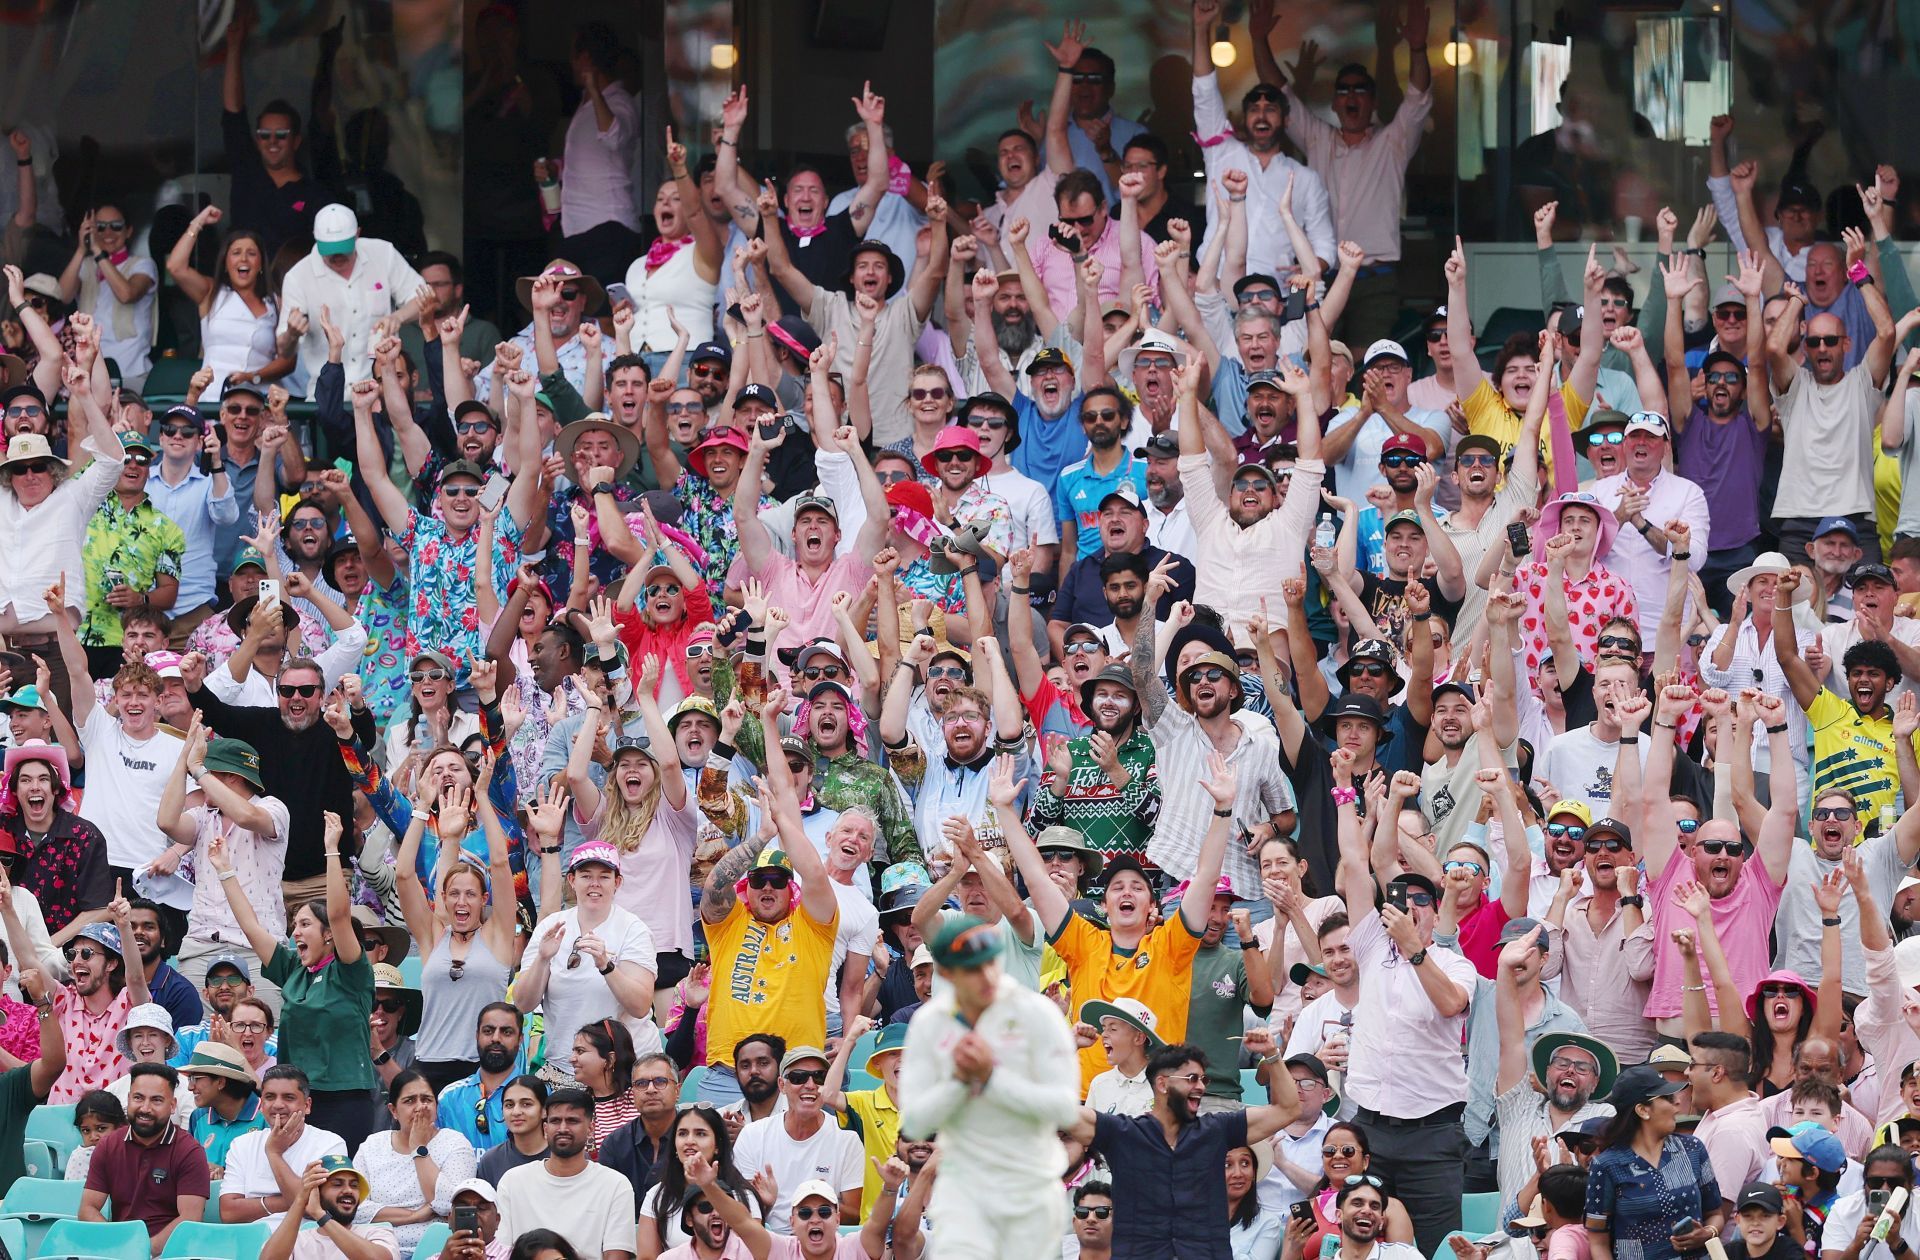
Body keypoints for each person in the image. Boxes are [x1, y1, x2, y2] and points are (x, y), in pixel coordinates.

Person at [900, 915, 1081, 1260]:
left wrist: (991, 1078)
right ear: (948, 973)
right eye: (971, 968)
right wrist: (959, 1081)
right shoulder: (930, 1023)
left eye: (990, 962)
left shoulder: (1038, 1014)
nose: (985, 976)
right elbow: (915, 1123)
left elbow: (1063, 1108)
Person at [206, 812, 376, 1150]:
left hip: (345, 1098)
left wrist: (331, 849)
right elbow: (251, 927)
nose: (294, 932)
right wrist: (224, 868)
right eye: (293, 925)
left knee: (338, 1184)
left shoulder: (351, 972)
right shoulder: (294, 970)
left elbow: (340, 913)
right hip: (294, 1098)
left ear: (329, 935)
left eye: (304, 924)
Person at [1067, 1038, 1301, 1259]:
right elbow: (1055, 1110)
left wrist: (1271, 1054)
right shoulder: (1123, 1134)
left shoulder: (1217, 1131)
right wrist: (1069, 1047)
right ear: (1163, 1084)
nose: (1200, 1086)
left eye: (1203, 1080)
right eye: (1191, 1078)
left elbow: (1288, 1109)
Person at [278, 206, 426, 399]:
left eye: (343, 249)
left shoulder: (382, 253)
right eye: (330, 250)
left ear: (357, 235)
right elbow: (284, 350)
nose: (337, 256)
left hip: (381, 392)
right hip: (328, 396)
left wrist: (399, 316)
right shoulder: (298, 277)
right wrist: (291, 333)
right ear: (315, 237)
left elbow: (424, 297)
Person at [1584, 1065, 1724, 1260]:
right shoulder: (1606, 1165)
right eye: (1666, 1098)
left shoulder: (1693, 1149)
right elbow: (1598, 1243)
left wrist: (1707, 1234)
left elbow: (1715, 1213)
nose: (1676, 1103)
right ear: (1642, 1110)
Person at [494, 1087, 639, 1260]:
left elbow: (616, 1256)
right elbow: (502, 1252)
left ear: (590, 1128)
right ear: (545, 1128)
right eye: (555, 1121)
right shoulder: (513, 1181)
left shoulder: (615, 1185)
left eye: (572, 1121)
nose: (563, 1128)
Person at [79, 1060, 209, 1248]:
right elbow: (87, 1209)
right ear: (129, 1098)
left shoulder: (189, 1151)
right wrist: (117, 1245)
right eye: (138, 1098)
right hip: (118, 1248)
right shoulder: (108, 1146)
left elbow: (190, 1219)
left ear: (172, 1105)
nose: (145, 1108)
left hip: (170, 1252)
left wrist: (143, 1250)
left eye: (156, 1100)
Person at [732, 1045, 864, 1231]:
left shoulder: (847, 1139)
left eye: (819, 1077)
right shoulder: (752, 1135)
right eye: (798, 1078)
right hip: (769, 1240)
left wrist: (820, 1204)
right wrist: (766, 1203)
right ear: (781, 1085)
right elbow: (743, 1211)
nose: (810, 1085)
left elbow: (854, 1215)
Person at [352, 1068, 477, 1259]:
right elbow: (354, 1208)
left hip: (437, 1251)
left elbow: (449, 1206)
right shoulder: (372, 1146)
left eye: (427, 1099)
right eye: (409, 1101)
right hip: (377, 1249)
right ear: (393, 1111)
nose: (420, 1107)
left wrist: (419, 1149)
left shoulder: (455, 1144)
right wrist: (415, 1215)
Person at [166, 205, 290, 389]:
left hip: (259, 401)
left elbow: (288, 359)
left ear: (261, 264)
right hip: (214, 398)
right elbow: (175, 267)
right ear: (225, 263)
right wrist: (198, 222)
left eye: (251, 253)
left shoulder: (276, 303)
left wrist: (252, 377)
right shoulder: (212, 293)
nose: (243, 259)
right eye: (236, 253)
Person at [220, 1065, 350, 1226]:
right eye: (270, 1097)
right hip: (250, 1240)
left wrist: (274, 1153)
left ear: (307, 1105)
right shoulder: (242, 1144)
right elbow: (228, 1212)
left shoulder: (330, 1144)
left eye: (288, 1097)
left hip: (306, 1241)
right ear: (261, 1105)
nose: (278, 1105)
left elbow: (315, 1209)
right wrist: (292, 1199)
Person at [260, 1155, 400, 1260]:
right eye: (337, 1184)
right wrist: (301, 1198)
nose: (348, 1191)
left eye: (354, 1185)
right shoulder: (295, 1240)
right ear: (317, 1193)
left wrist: (320, 1215)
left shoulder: (377, 1233)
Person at [435, 1004, 528, 1150]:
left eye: (507, 1032)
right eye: (488, 1031)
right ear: (477, 1035)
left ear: (520, 1039)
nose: (496, 1038)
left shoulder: (539, 1096)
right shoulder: (449, 1098)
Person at [182, 1041, 263, 1178]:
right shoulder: (198, 1117)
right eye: (190, 1078)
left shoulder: (266, 1116)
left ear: (220, 1082)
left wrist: (225, 1173)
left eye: (195, 1079)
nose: (190, 1087)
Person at [474, 1075, 548, 1186]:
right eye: (509, 1105)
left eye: (526, 1104)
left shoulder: (562, 1155)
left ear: (544, 1111)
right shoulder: (491, 1161)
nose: (516, 1112)